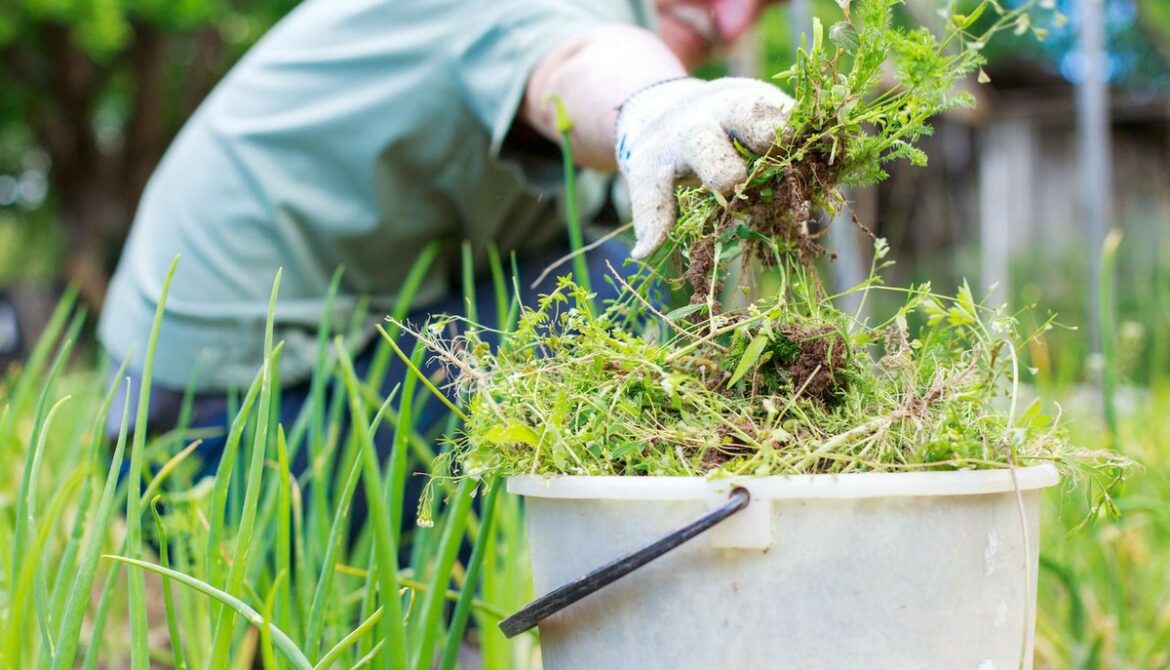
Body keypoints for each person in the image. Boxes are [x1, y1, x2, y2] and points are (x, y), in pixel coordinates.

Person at [100, 0, 793, 491]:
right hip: (218, 436)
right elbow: (575, 63)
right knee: (613, 288)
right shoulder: (575, 17)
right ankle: (433, 604)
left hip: (217, 407)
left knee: (603, 263)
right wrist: (657, 101)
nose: (732, 18)